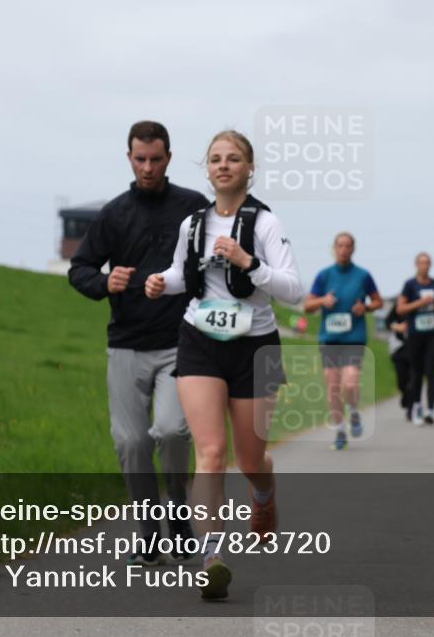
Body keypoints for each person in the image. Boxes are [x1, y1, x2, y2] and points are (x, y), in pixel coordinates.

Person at [145, 130, 302, 601]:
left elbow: (293, 288)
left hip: (256, 348)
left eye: (234, 159)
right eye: (215, 159)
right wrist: (160, 283)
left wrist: (247, 261)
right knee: (211, 452)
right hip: (200, 341)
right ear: (207, 169)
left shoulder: (266, 224)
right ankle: (212, 557)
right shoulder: (192, 223)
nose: (224, 165)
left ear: (249, 168)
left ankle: (264, 492)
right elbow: (181, 274)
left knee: (250, 459)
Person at [68, 120, 207, 566]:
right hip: (126, 344)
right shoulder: (114, 214)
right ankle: (148, 531)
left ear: (168, 158)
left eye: (156, 159)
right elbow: (80, 270)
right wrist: (107, 281)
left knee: (170, 430)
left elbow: (212, 265)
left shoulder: (193, 207)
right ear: (129, 158)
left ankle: (179, 509)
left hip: (179, 343)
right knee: (131, 443)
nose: (148, 167)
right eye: (140, 159)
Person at [304, 233, 383, 450]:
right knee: (332, 387)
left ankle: (354, 412)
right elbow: (308, 306)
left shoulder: (363, 275)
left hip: (354, 337)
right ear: (334, 248)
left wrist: (365, 307)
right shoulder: (324, 275)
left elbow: (379, 301)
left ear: (353, 249)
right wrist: (323, 300)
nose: (344, 249)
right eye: (340, 245)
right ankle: (340, 432)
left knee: (350, 383)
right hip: (329, 338)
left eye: (348, 246)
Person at [396, 252, 434, 426]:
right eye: (421, 263)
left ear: (430, 265)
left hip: (433, 333)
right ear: (416, 265)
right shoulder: (409, 285)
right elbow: (401, 309)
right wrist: (421, 303)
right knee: (416, 372)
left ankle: (430, 410)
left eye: (427, 263)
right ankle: (417, 406)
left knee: (431, 371)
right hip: (415, 335)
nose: (424, 266)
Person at [384, 305, 412, 421]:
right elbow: (388, 322)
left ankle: (411, 409)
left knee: (413, 380)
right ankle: (404, 394)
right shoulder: (399, 305)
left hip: (415, 347)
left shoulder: (421, 303)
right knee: (401, 381)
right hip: (398, 348)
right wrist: (397, 327)